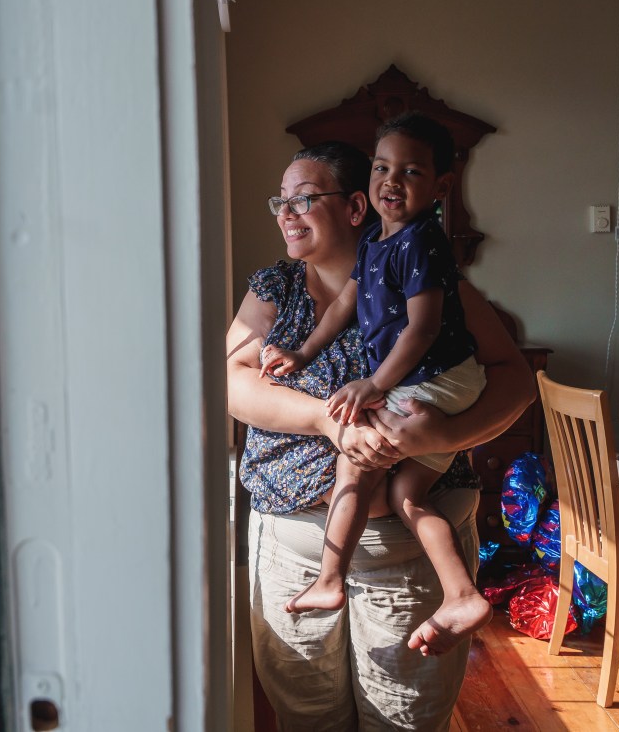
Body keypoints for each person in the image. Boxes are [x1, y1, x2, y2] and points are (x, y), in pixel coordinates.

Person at [226, 140, 534, 730]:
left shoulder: (431, 281)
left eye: (304, 199)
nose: (286, 214)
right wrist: (323, 420)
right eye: (280, 202)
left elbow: (516, 381)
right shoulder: (274, 289)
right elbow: (233, 386)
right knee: (306, 716)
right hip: (292, 545)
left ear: (356, 208)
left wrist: (441, 434)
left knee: (404, 719)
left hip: (406, 557)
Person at [259, 114, 491, 655]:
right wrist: (301, 352)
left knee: (355, 455)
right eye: (382, 168)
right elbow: (344, 306)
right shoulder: (373, 247)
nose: (391, 180)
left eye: (409, 171)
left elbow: (425, 329)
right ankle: (461, 594)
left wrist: (373, 384)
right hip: (419, 385)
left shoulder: (420, 243)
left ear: (439, 188)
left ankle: (329, 578)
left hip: (440, 378)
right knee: (408, 494)